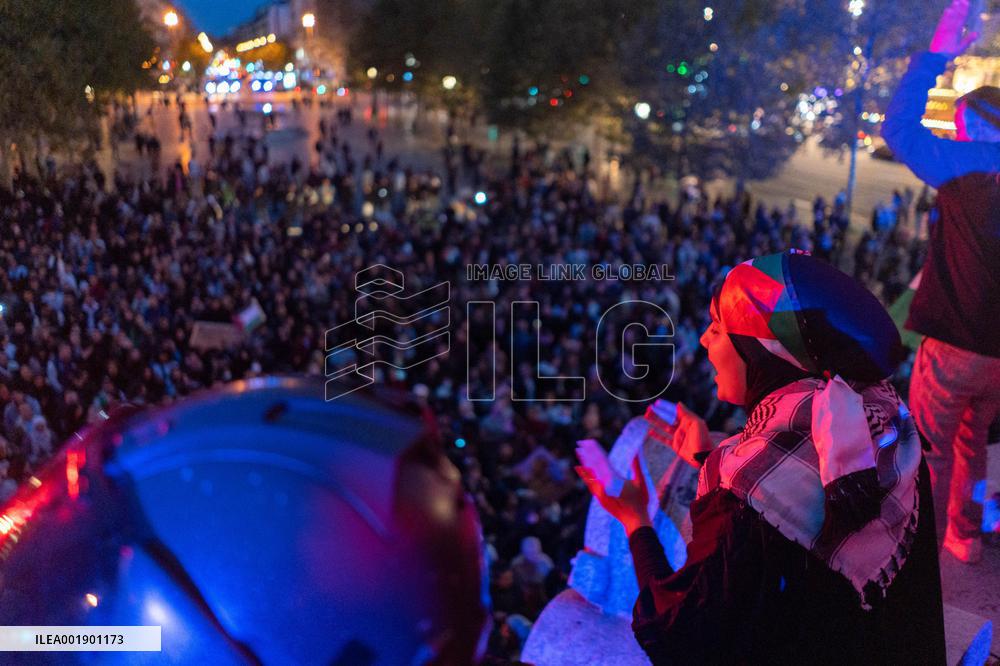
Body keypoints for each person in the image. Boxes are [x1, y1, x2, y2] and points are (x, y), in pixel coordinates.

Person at [577, 251, 945, 664]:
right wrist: (707, 455)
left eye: (717, 328)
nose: (703, 341)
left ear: (760, 351)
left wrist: (636, 520)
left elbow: (675, 632)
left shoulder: (745, 507)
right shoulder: (884, 420)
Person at [882, 0, 1000, 563]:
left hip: (955, 344)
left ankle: (921, 550)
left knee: (928, 448)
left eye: (958, 123)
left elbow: (898, 127)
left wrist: (936, 55)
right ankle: (965, 535)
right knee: (973, 443)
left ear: (977, 126)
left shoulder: (966, 168)